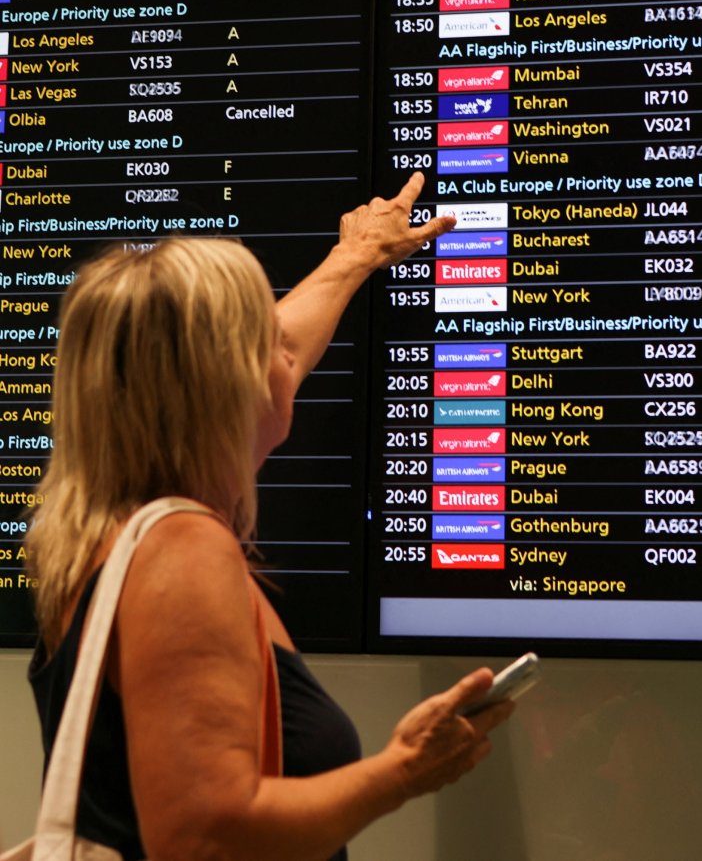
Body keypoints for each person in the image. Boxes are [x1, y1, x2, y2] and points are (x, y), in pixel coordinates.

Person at [26, 173, 514, 861]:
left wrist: (357, 258)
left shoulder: (97, 535)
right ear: (230, 384)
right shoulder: (180, 548)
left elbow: (288, 336)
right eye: (266, 342)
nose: (289, 354)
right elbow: (205, 835)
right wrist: (403, 770)